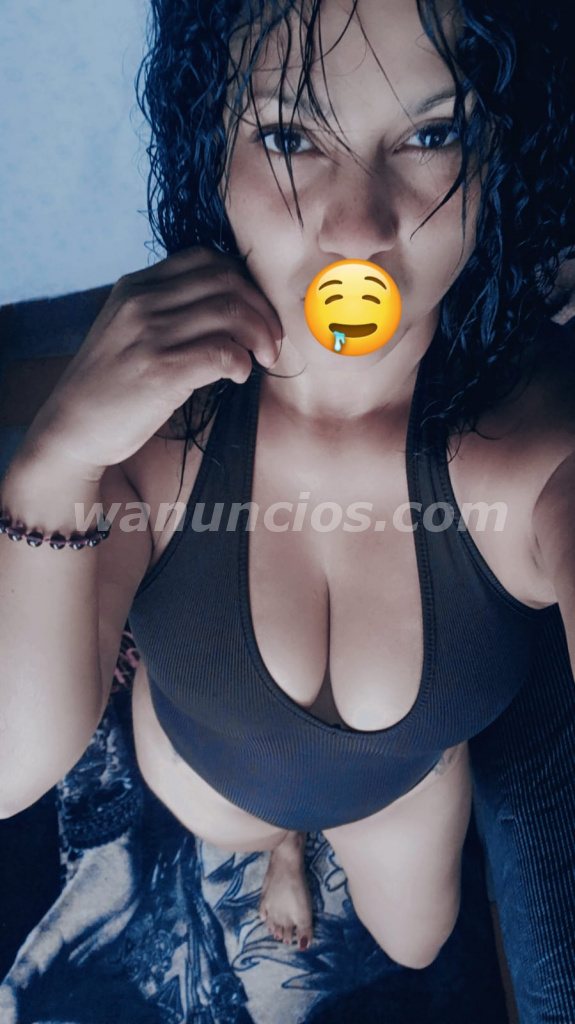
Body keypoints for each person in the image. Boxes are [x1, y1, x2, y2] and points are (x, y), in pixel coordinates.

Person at [0, 0, 573, 991]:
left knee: (416, 945)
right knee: (244, 826)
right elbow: (10, 764)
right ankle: (280, 848)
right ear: (211, 153)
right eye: (288, 136)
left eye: (432, 134)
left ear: (498, 161)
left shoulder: (537, 455)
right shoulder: (149, 438)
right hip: (204, 774)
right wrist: (51, 466)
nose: (356, 228)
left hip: (400, 789)